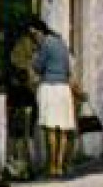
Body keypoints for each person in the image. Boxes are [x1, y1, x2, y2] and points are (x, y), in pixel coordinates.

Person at [27, 19, 76, 178]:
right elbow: (69, 69)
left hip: (49, 87)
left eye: (34, 33)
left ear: (40, 32)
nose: (33, 37)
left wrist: (34, 57)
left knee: (50, 128)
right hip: (64, 88)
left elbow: (38, 67)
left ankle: (52, 165)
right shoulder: (61, 43)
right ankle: (60, 165)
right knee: (62, 129)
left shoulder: (45, 45)